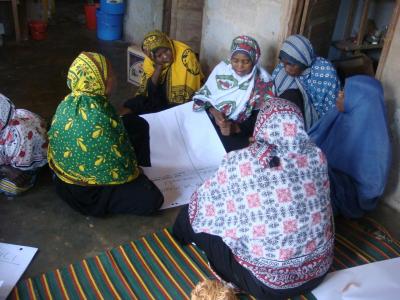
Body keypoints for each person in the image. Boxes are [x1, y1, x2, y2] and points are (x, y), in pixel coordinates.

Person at [173, 98, 334, 299]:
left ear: (262, 125)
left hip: (269, 287)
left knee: (192, 213)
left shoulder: (242, 162)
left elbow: (205, 203)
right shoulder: (316, 156)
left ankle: (178, 237)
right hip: (319, 270)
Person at [48, 52, 163, 217]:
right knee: (152, 198)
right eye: (111, 74)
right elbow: (117, 166)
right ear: (101, 81)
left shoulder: (69, 100)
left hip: (61, 181)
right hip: (88, 196)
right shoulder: (99, 118)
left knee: (135, 123)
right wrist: (135, 173)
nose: (115, 77)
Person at [309, 75, 391, 218]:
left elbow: (371, 188)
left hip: (349, 195)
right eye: (342, 90)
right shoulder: (338, 114)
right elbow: (312, 140)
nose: (339, 94)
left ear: (359, 101)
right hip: (328, 175)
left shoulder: (377, 141)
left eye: (345, 93)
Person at [193, 35, 275, 152]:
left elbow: (262, 118)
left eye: (246, 62)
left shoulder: (263, 81)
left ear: (254, 60)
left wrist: (235, 128)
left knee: (225, 150)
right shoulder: (222, 69)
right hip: (214, 121)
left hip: (240, 130)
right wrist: (215, 113)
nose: (239, 66)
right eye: (235, 60)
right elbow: (204, 96)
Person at [121, 30, 203, 115]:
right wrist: (158, 66)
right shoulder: (150, 61)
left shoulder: (186, 56)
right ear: (151, 57)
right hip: (159, 98)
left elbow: (192, 91)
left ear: (168, 44)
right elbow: (149, 91)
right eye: (159, 55)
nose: (165, 56)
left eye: (166, 50)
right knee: (133, 103)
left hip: (179, 103)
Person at [272, 34, 340, 130]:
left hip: (317, 123)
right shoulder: (281, 70)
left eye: (291, 64)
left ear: (304, 61)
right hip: (285, 120)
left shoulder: (325, 73)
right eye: (284, 63)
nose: (286, 69)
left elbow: (330, 110)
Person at [0, 93, 48, 196]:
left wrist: (5, 169)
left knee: (12, 188)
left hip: (25, 164)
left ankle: (33, 177)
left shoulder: (17, 140)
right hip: (20, 151)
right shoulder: (17, 113)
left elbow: (18, 173)